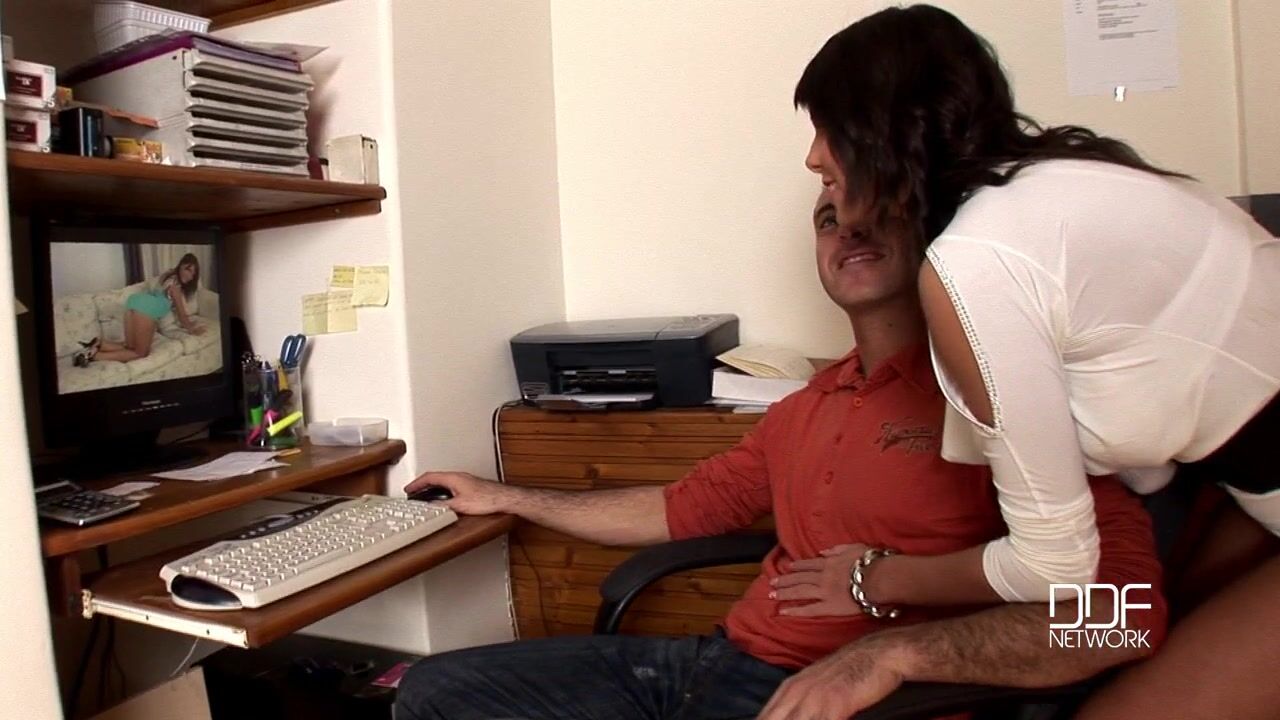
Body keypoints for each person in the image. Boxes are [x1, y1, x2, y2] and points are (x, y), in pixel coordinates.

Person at [392, 190, 1166, 720]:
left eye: (874, 206)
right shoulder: (806, 405)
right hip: (711, 666)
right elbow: (673, 509)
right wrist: (509, 497)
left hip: (859, 697)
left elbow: (1124, 621)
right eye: (829, 217)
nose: (848, 226)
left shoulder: (997, 398)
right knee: (431, 692)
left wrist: (890, 656)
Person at [794, 5, 1280, 718]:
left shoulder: (979, 260)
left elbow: (1058, 570)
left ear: (887, 131)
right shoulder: (1062, 185)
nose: (814, 159)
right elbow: (1153, 449)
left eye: (828, 130)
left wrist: (876, 580)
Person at [74, 253, 206, 366]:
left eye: (193, 273)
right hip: (145, 308)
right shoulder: (175, 288)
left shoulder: (167, 277)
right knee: (141, 353)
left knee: (130, 347)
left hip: (134, 302)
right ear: (180, 266)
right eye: (188, 269)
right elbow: (183, 317)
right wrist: (193, 329)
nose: (190, 275)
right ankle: (93, 356)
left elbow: (158, 295)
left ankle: (99, 344)